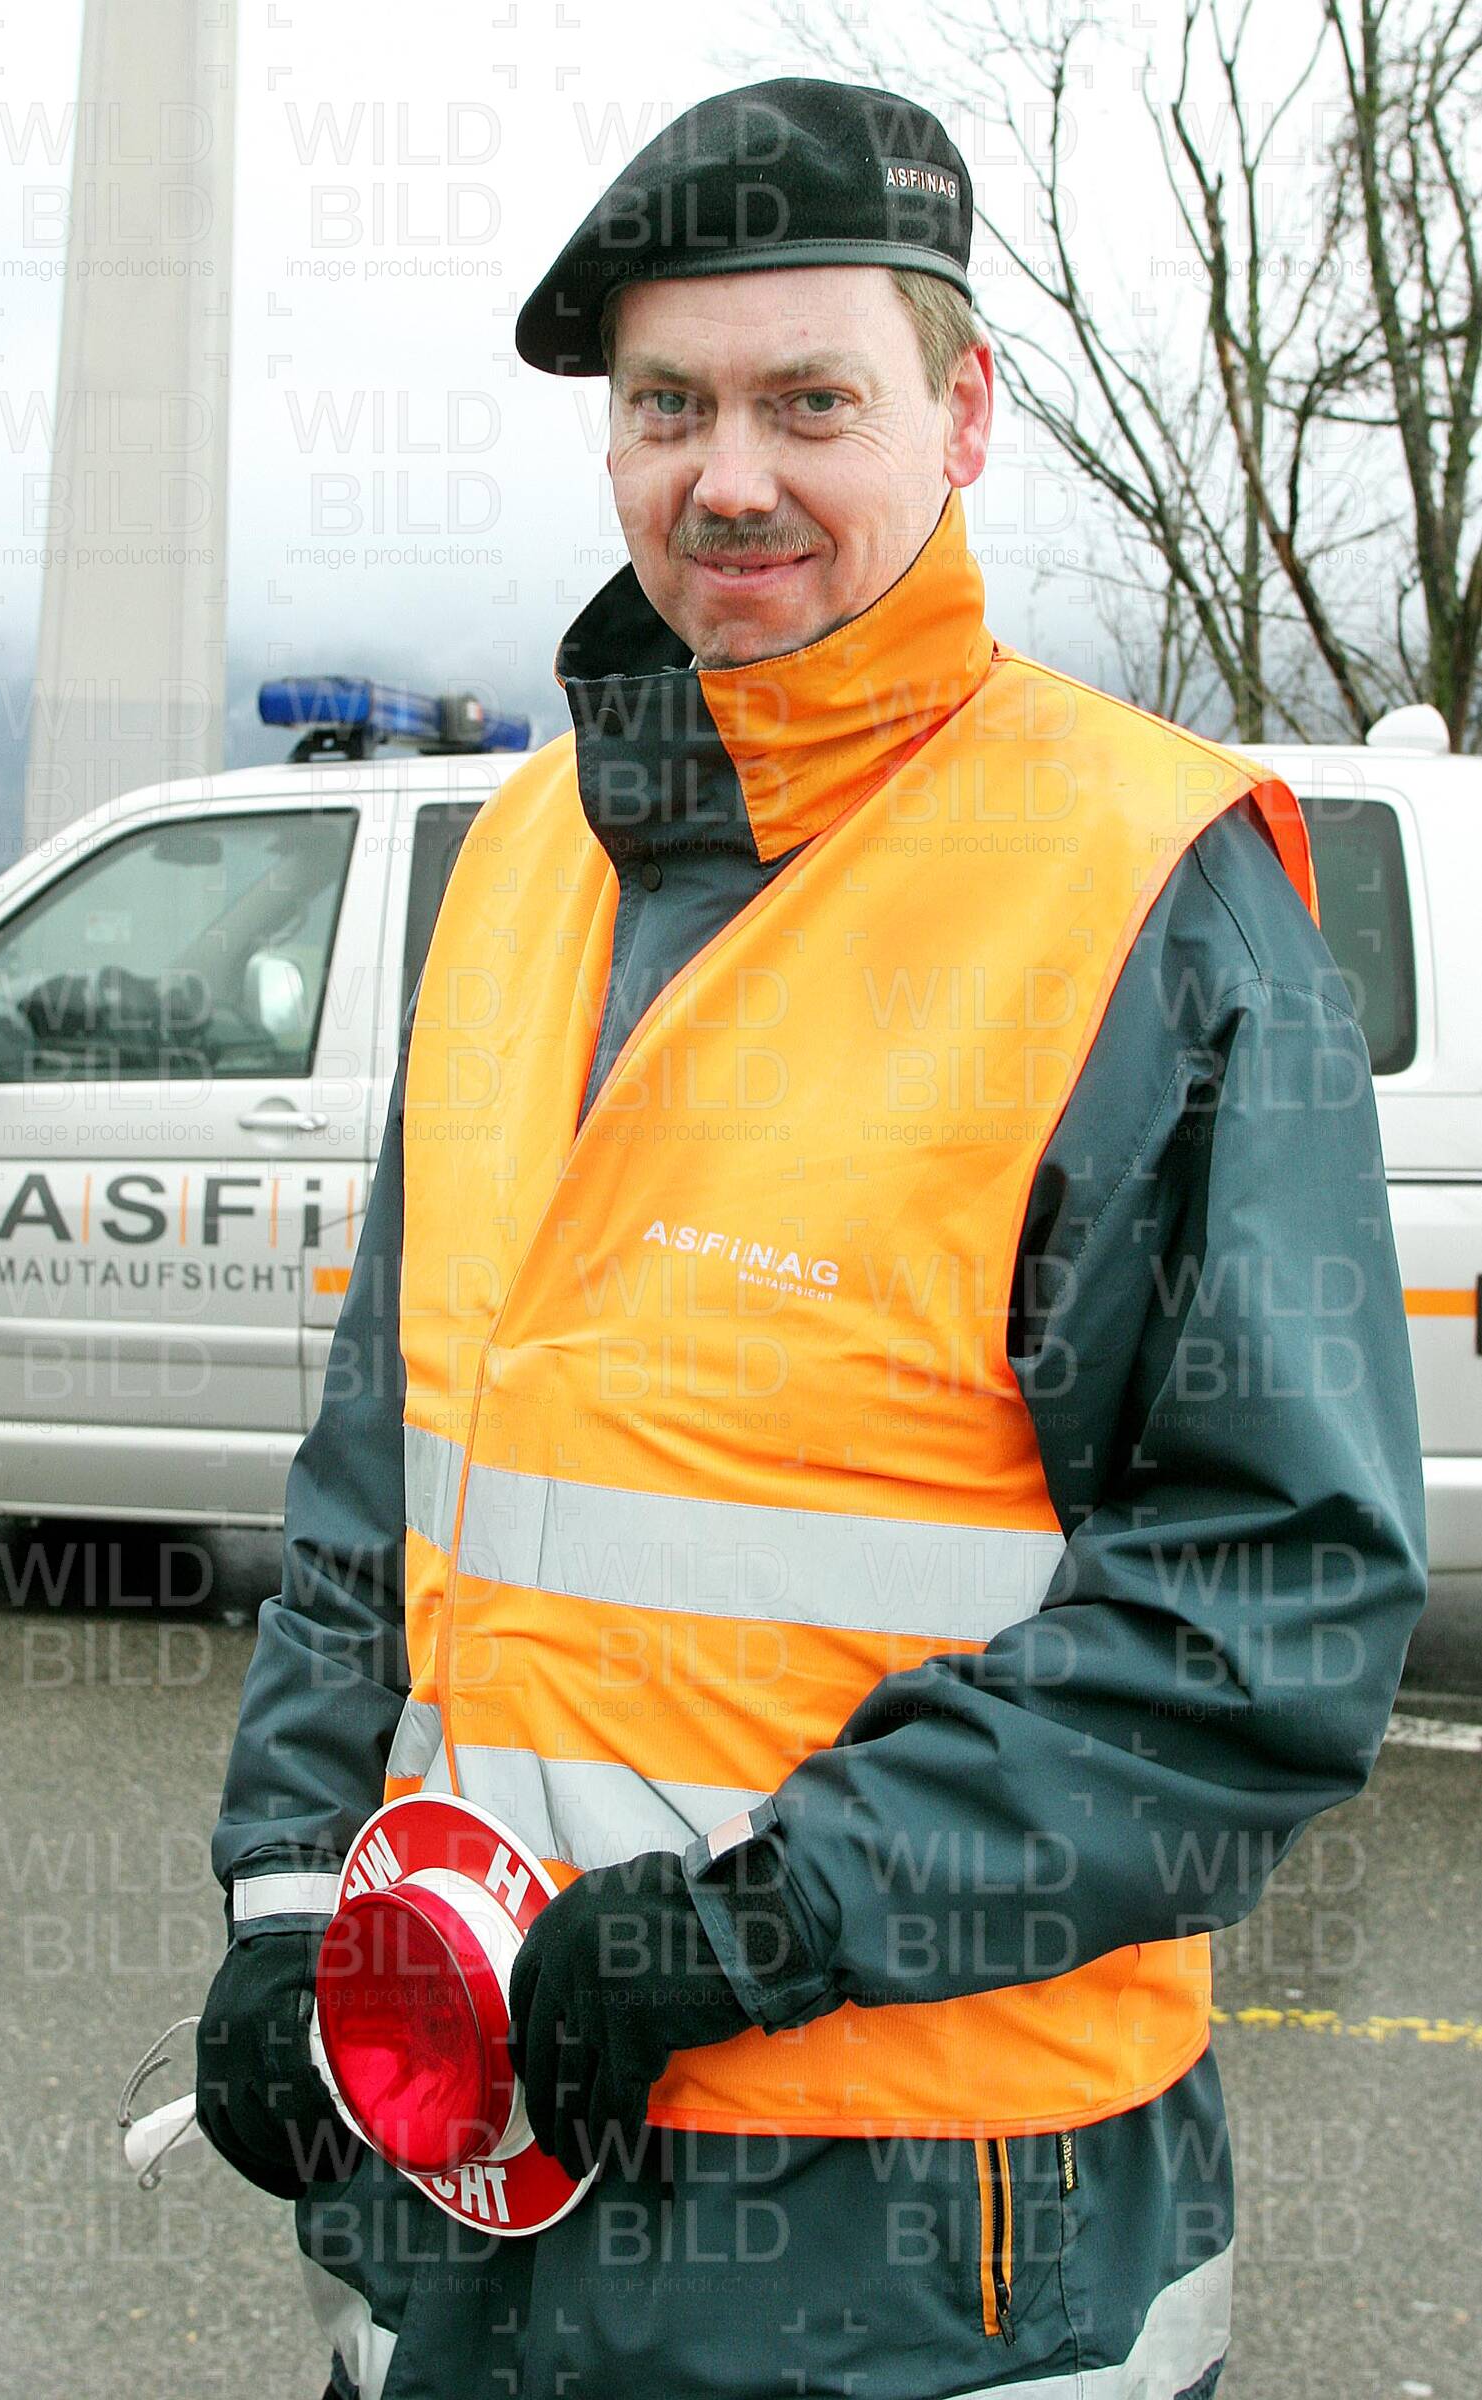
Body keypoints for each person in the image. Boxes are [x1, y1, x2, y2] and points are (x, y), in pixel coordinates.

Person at [195, 76, 1427, 2400]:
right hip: (463, 2185)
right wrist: (284, 1904)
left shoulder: (1146, 896)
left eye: (809, 402)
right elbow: (385, 1477)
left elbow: (1273, 1601)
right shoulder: (521, 860)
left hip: (924, 2249)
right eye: (668, 404)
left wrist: (762, 1928)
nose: (729, 474)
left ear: (962, 416)